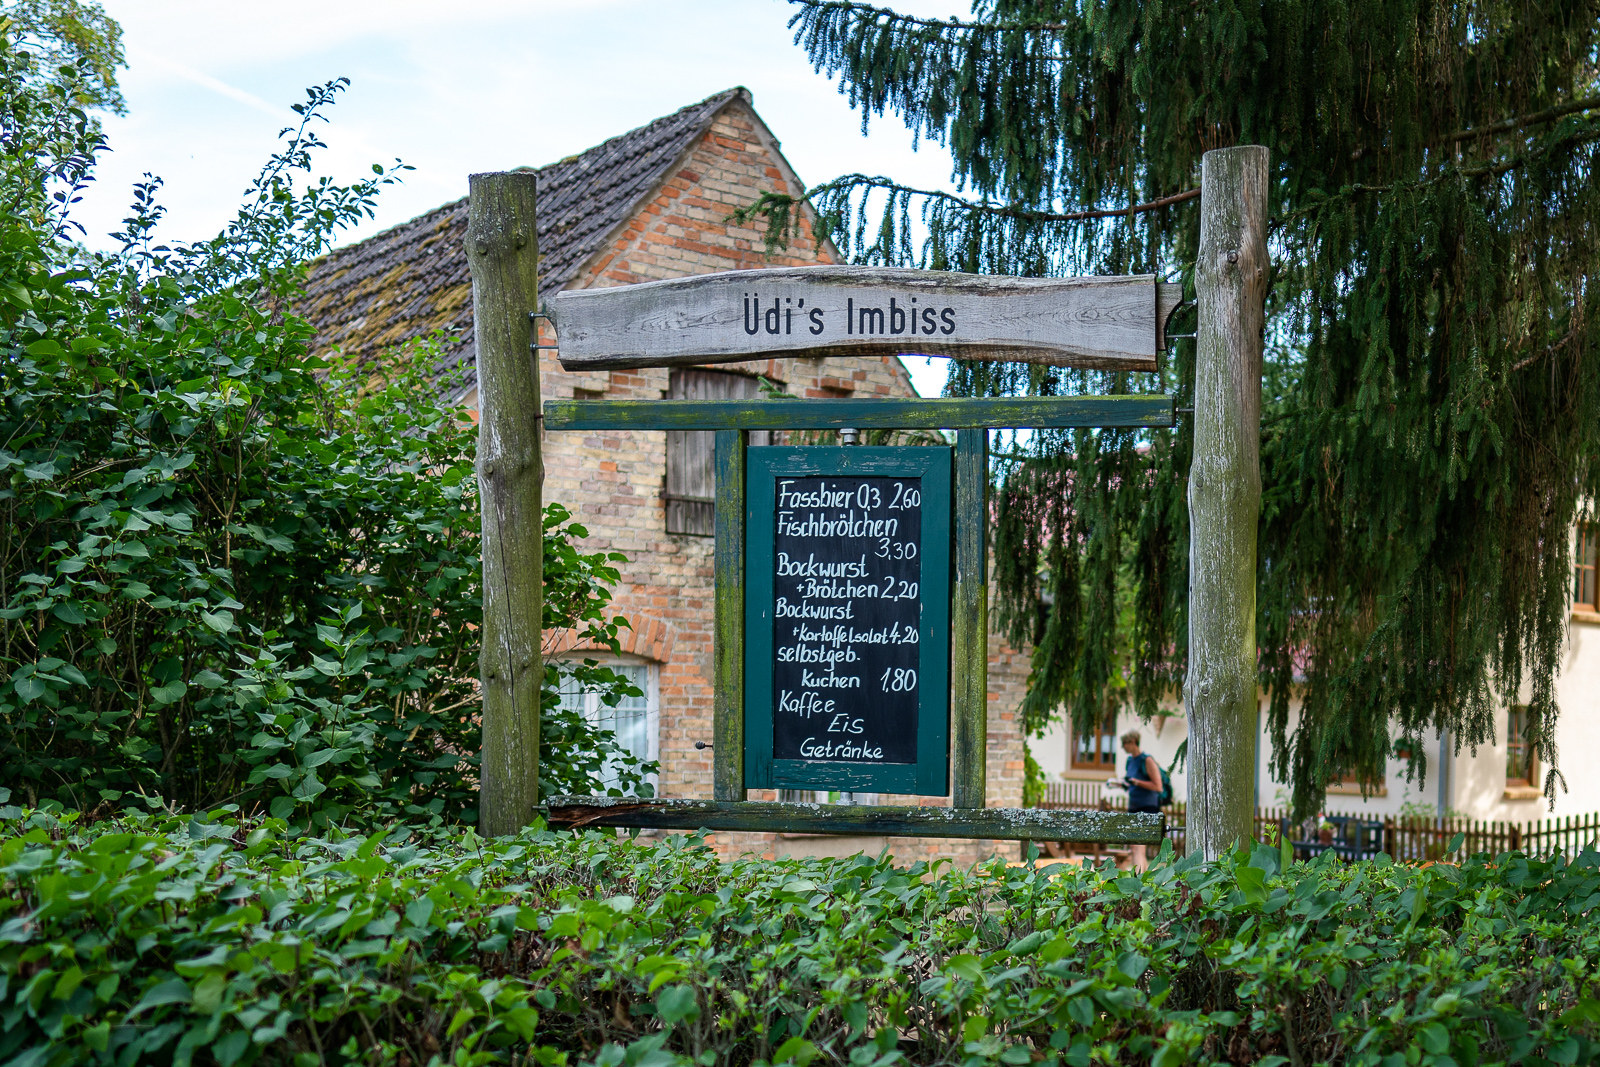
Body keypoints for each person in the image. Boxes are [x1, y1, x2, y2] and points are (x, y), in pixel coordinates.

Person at [1107, 729, 1163, 871]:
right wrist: (1123, 784)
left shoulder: (1147, 760)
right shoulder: (1130, 761)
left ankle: (1138, 879)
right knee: (1136, 847)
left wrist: (1137, 782)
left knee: (1137, 846)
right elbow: (1131, 785)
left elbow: (1158, 786)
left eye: (1124, 744)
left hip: (1147, 807)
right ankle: (1142, 877)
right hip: (1134, 806)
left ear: (1132, 742)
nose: (1122, 747)